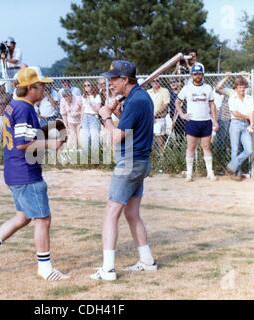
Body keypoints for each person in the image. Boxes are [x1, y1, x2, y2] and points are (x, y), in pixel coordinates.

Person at [0, 66, 68, 281]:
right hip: (26, 172)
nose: (44, 88)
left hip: (14, 171)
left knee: (23, 217)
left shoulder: (15, 106)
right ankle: (45, 269)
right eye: (41, 85)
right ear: (30, 88)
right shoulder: (25, 109)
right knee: (43, 219)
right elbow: (23, 144)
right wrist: (51, 143)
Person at [90, 60, 157, 281]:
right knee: (131, 213)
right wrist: (117, 113)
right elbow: (129, 128)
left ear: (125, 80)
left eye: (114, 79)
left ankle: (108, 269)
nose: (110, 83)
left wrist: (106, 117)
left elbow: (117, 136)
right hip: (140, 162)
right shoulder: (139, 98)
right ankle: (147, 261)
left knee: (111, 213)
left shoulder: (135, 100)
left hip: (129, 162)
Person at [175, 64, 219, 182]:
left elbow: (212, 104)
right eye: (195, 74)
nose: (197, 76)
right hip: (192, 122)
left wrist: (214, 120)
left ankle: (210, 173)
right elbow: (177, 103)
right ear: (192, 75)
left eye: (199, 74)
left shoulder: (208, 88)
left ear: (203, 74)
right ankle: (189, 173)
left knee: (206, 147)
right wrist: (182, 115)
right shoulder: (187, 88)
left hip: (205, 121)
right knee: (191, 147)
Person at [222, 77, 254, 181]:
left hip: (246, 125)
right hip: (235, 123)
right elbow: (235, 112)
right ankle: (236, 173)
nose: (242, 89)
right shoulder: (232, 98)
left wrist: (252, 123)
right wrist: (247, 117)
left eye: (243, 87)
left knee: (249, 150)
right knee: (235, 149)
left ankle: (231, 167)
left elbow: (252, 112)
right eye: (239, 87)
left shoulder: (249, 98)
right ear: (235, 88)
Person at [147, 77, 170, 153]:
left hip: (159, 118)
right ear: (150, 83)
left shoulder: (164, 91)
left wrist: (155, 114)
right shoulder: (148, 92)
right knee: (148, 140)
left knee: (160, 140)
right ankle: (151, 156)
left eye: (157, 80)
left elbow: (165, 105)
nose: (156, 82)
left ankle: (161, 157)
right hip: (149, 119)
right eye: (153, 81)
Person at [80, 80, 102, 155]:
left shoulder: (97, 96)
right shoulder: (83, 96)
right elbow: (83, 108)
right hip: (85, 117)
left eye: (88, 85)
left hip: (93, 117)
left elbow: (97, 110)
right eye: (85, 85)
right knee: (85, 138)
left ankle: (95, 156)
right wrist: (81, 121)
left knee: (94, 137)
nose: (86, 87)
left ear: (92, 86)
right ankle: (85, 156)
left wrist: (90, 103)